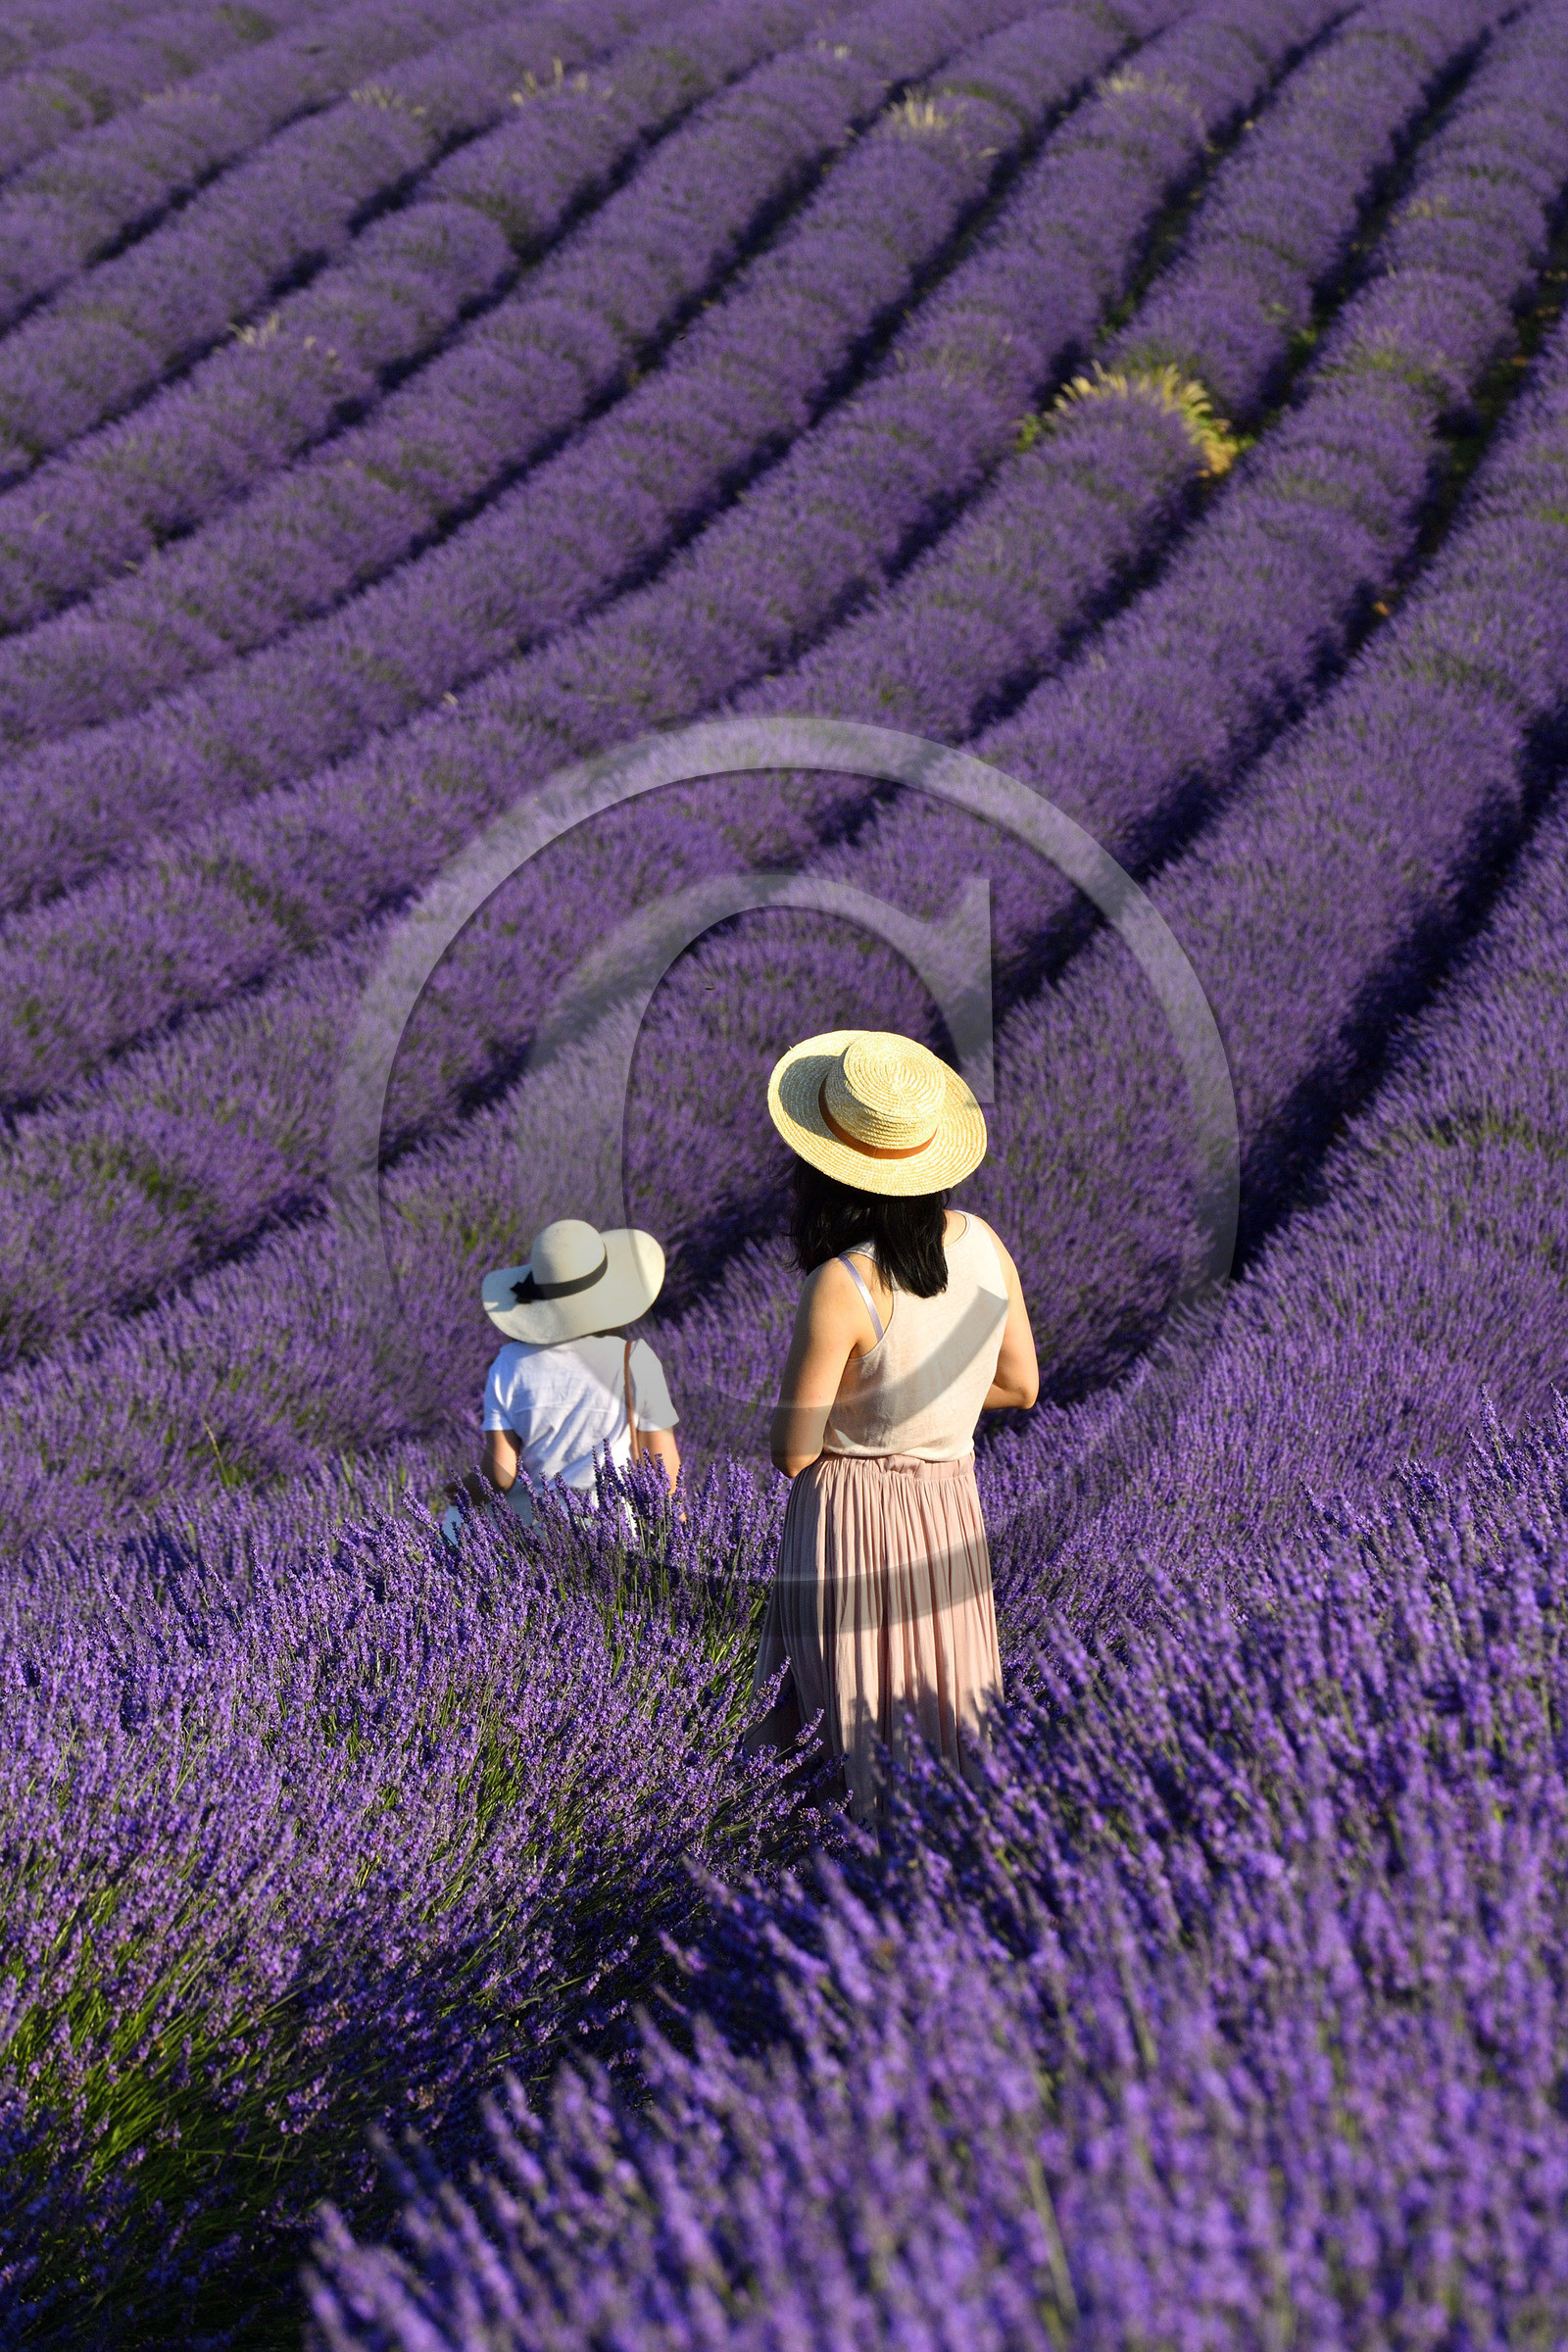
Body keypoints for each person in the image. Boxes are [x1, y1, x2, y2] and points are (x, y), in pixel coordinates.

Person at [749, 1029, 1038, 1819]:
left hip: (851, 1524)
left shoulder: (842, 1283)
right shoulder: (984, 1245)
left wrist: (872, 1412)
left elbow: (793, 1450)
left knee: (840, 1744)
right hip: (948, 1514)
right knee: (948, 1718)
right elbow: (1020, 1384)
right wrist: (925, 1405)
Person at [446, 1216, 679, 1538]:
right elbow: (662, 1467)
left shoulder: (509, 1364)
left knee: (455, 1527)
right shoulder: (635, 1359)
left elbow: (499, 1475)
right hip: (616, 1533)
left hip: (540, 1534)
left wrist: (457, 1491)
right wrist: (680, 1538)